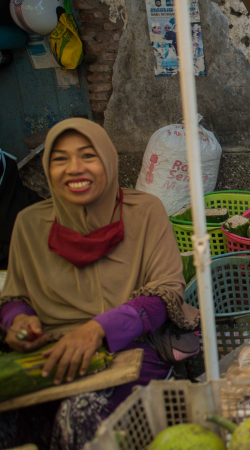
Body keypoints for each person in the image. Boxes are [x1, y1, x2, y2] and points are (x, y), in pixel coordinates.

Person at [0, 118, 199, 449]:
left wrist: (97, 330)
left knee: (80, 418)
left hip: (130, 347)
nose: (74, 169)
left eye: (88, 156)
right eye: (60, 158)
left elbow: (165, 294)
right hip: (49, 351)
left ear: (108, 159)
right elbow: (15, 296)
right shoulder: (30, 222)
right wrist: (18, 321)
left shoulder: (145, 211)